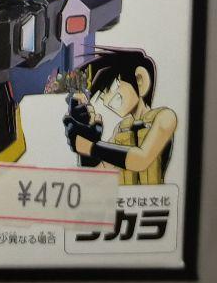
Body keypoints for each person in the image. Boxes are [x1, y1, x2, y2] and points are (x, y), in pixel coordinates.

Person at [63, 48, 176, 184]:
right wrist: (86, 145)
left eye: (112, 88)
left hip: (155, 196)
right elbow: (98, 175)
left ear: (140, 80)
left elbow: (142, 159)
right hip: (125, 196)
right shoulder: (121, 128)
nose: (108, 101)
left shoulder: (165, 117)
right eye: (103, 97)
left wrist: (90, 147)